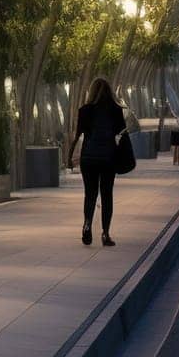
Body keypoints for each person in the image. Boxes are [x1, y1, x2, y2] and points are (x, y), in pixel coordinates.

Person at [66, 78, 127, 248]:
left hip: (89, 158)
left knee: (90, 194)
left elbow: (78, 134)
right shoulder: (116, 110)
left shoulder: (85, 110)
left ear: (91, 92)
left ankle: (87, 224)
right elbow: (122, 133)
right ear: (110, 91)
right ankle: (106, 234)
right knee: (107, 195)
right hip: (108, 158)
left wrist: (70, 156)